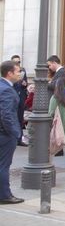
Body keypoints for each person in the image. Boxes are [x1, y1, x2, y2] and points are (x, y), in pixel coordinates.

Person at [0, 60, 25, 204]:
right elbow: (7, 115)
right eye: (17, 71)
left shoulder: (4, 86)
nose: (19, 73)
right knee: (4, 165)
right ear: (9, 73)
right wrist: (15, 133)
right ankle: (4, 195)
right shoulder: (7, 90)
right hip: (5, 134)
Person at [10, 55, 27, 146]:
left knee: (20, 118)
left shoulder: (23, 70)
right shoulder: (10, 72)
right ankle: (13, 138)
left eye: (19, 62)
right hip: (13, 96)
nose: (18, 64)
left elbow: (25, 83)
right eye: (16, 62)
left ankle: (19, 139)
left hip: (21, 97)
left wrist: (24, 83)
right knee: (12, 117)